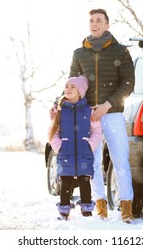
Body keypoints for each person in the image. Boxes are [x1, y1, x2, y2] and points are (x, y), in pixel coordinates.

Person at [68, 8, 135, 222]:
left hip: (112, 113)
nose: (94, 24)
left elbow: (128, 84)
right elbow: (72, 85)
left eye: (99, 20)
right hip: (88, 116)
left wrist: (107, 105)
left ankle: (126, 207)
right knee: (93, 163)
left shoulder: (121, 52)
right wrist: (61, 102)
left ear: (107, 24)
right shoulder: (80, 53)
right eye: (91, 21)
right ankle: (100, 207)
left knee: (120, 160)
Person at [48, 76, 102, 220]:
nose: (68, 89)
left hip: (84, 151)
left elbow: (97, 130)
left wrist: (90, 144)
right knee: (66, 180)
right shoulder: (59, 111)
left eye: (73, 87)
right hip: (65, 151)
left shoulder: (88, 110)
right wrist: (59, 146)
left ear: (81, 92)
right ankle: (64, 211)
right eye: (67, 86)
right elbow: (53, 132)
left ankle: (86, 210)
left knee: (85, 180)